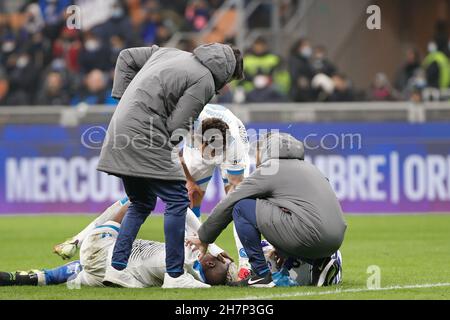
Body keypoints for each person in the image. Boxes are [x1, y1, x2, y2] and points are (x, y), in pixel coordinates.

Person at [97, 43, 243, 289]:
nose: (225, 85)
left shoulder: (168, 52)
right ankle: (175, 275)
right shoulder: (205, 79)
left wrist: (124, 100)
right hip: (146, 136)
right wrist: (171, 146)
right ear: (225, 70)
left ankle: (116, 268)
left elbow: (126, 56)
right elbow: (178, 123)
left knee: (141, 202)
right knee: (177, 200)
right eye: (229, 79)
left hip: (118, 130)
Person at [188, 132, 347, 287]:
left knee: (242, 207)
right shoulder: (312, 169)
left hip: (306, 235)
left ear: (267, 151)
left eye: (258, 153)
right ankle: (317, 264)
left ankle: (261, 275)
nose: (257, 159)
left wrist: (204, 237)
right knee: (271, 210)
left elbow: (231, 201)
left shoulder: (271, 168)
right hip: (335, 241)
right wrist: (281, 246)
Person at [1, 200, 236, 288]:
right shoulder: (192, 267)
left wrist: (212, 246)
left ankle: (77, 238)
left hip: (100, 252)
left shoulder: (186, 256)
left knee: (140, 198)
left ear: (213, 263)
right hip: (101, 274)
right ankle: (32, 278)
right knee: (80, 273)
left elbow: (180, 209)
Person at [180, 103, 252, 279]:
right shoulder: (188, 122)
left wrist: (211, 232)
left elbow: (234, 196)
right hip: (198, 147)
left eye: (217, 152)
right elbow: (173, 154)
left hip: (232, 144)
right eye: (211, 152)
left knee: (240, 206)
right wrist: (189, 180)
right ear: (201, 141)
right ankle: (195, 257)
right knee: (189, 197)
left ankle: (245, 265)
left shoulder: (235, 148)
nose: (214, 157)